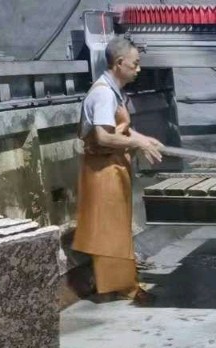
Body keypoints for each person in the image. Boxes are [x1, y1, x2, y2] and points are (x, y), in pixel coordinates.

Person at [73, 36, 165, 304]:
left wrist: (144, 139)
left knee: (118, 228)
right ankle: (120, 288)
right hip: (103, 170)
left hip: (112, 166)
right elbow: (102, 137)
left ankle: (125, 284)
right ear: (119, 63)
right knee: (110, 231)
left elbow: (120, 129)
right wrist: (137, 143)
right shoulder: (103, 93)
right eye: (135, 64)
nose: (138, 69)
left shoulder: (113, 91)